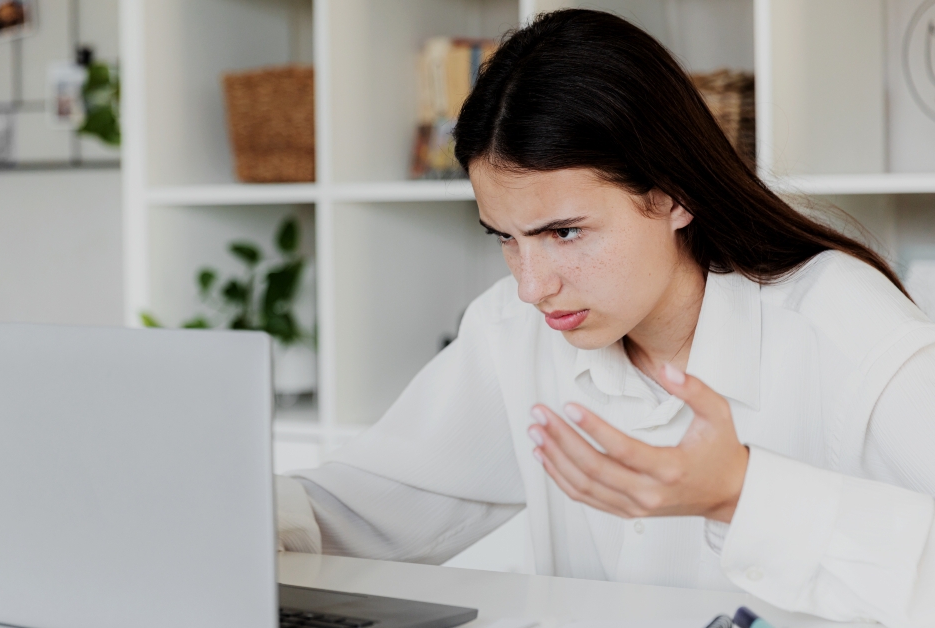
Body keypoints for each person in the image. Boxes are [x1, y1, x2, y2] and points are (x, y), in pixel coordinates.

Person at [275, 9, 935, 627]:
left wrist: (740, 492)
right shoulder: (515, 330)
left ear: (673, 194)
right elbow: (367, 508)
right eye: (504, 237)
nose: (532, 285)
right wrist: (215, 507)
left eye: (564, 232)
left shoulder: (845, 328)